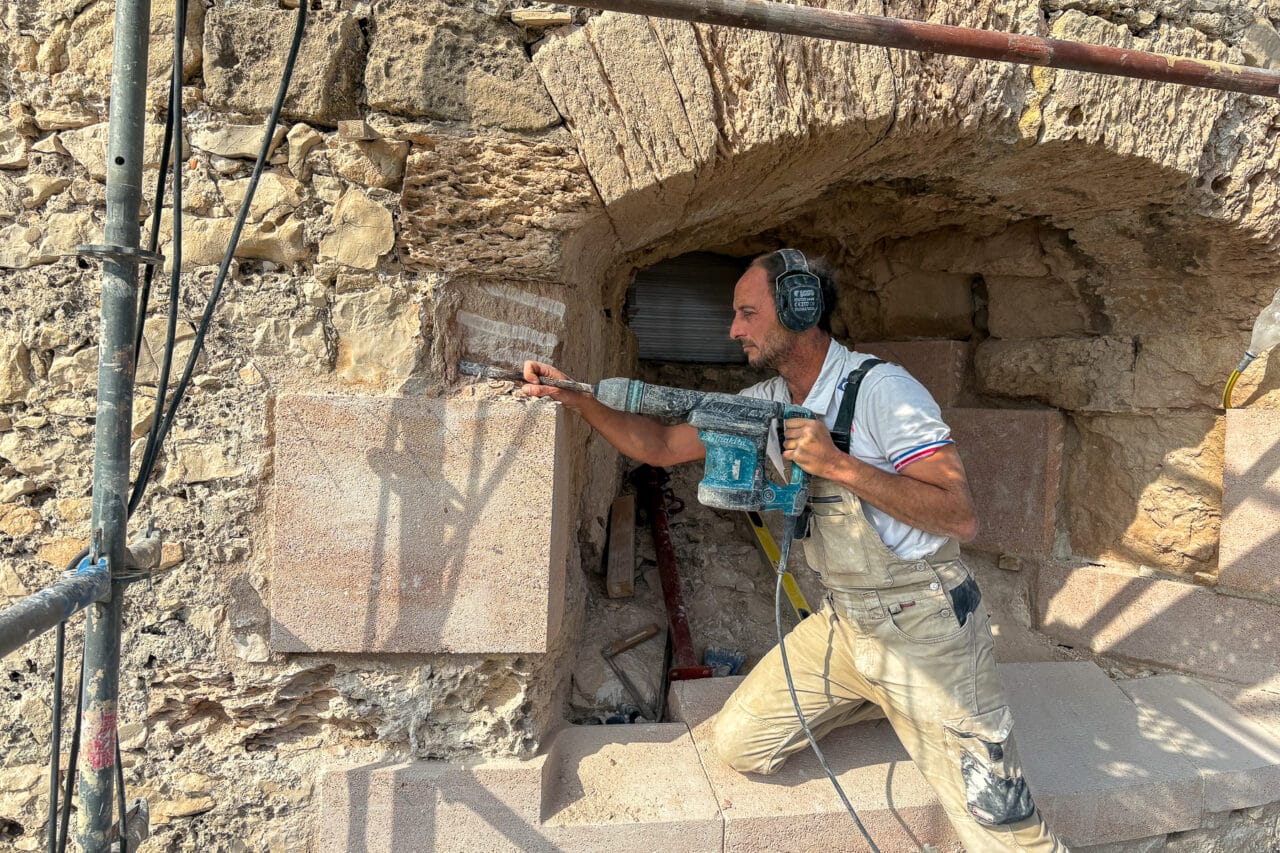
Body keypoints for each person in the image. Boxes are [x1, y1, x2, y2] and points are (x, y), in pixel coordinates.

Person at [522, 249, 1066, 852]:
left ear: (798, 309)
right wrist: (580, 401)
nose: (733, 330)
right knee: (740, 744)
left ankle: (933, 700)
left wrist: (837, 464)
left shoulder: (882, 390)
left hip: (925, 625)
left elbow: (958, 513)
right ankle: (890, 698)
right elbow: (661, 446)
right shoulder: (768, 398)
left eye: (747, 313)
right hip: (847, 623)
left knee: (1002, 827)